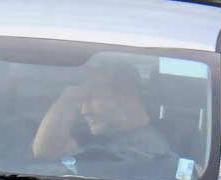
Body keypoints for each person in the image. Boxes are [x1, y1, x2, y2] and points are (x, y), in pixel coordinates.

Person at [33, 60, 174, 163]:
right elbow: (44, 152)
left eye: (91, 97)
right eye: (82, 100)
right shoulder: (98, 136)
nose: (84, 111)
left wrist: (80, 89)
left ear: (124, 94)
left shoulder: (151, 148)